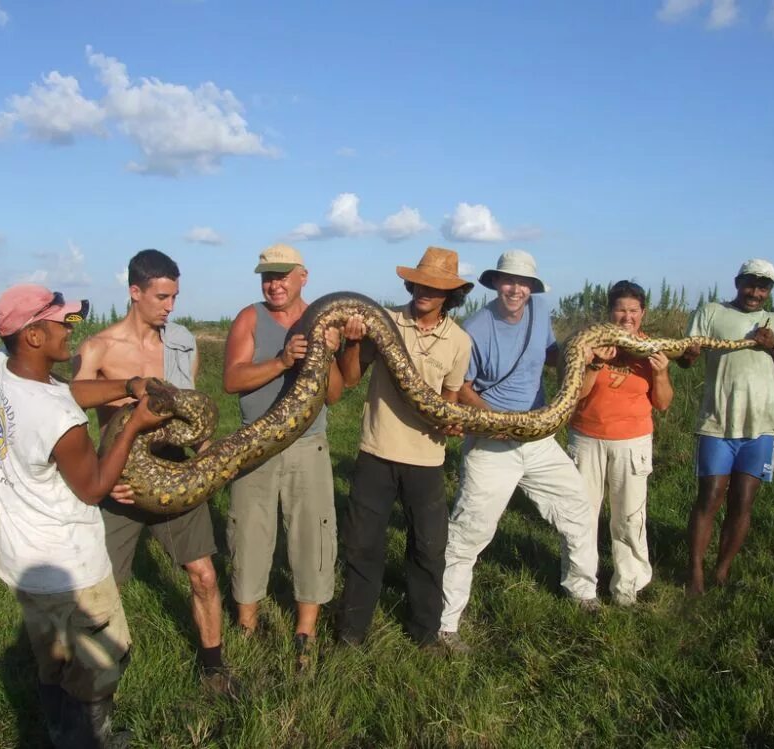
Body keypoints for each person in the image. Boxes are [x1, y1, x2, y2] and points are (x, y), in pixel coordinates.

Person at [0, 283, 168, 748]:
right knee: (102, 661)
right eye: (60, 322)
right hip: (72, 568)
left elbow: (65, 392)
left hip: (22, 561)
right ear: (32, 336)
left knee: (53, 662)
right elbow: (94, 488)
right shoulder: (57, 420)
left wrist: (127, 387)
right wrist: (134, 425)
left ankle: (60, 735)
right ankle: (90, 739)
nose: (71, 329)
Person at [72, 249, 235, 695]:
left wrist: (209, 458)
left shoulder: (181, 344)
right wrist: (97, 478)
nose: (170, 306)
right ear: (135, 292)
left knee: (203, 574)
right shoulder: (99, 348)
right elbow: (69, 409)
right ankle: (92, 682)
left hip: (174, 473)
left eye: (175, 296)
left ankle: (213, 670)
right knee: (100, 587)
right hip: (118, 481)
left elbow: (193, 416)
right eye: (162, 296)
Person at [439, 250, 600, 652]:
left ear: (532, 287)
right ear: (495, 283)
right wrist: (498, 422)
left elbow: (547, 355)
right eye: (508, 281)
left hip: (539, 438)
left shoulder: (540, 311)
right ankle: (445, 623)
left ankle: (582, 591)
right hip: (494, 442)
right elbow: (461, 387)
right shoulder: (473, 329)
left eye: (523, 283)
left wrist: (581, 357)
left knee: (578, 505)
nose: (515, 289)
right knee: (469, 530)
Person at [335, 247, 474, 648]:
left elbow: (449, 400)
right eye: (420, 282)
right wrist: (352, 345)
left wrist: (450, 420)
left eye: (435, 286)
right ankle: (352, 632)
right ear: (411, 282)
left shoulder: (459, 342)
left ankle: (425, 634)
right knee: (362, 545)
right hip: (377, 450)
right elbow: (348, 378)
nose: (424, 290)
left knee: (429, 550)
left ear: (450, 294)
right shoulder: (384, 321)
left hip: (427, 458)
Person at [222, 243, 344, 667]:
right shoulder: (249, 317)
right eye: (266, 276)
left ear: (302, 276)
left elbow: (334, 394)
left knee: (312, 535)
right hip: (255, 447)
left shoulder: (325, 322)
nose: (273, 283)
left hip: (308, 445)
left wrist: (326, 353)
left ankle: (305, 631)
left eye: (282, 275)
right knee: (250, 534)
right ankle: (247, 625)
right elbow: (231, 381)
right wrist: (280, 361)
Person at [679, 259, 774, 596]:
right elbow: (686, 359)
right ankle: (695, 574)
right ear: (738, 282)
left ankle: (722, 571)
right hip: (718, 422)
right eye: (750, 284)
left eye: (763, 287)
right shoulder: (711, 313)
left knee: (743, 501)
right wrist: (690, 353)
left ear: (769, 291)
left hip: (762, 425)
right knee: (709, 496)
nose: (755, 292)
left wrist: (773, 345)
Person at [567, 280, 673, 607]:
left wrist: (661, 373)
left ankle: (627, 588)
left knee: (629, 517)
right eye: (620, 310)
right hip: (587, 438)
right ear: (609, 312)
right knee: (582, 516)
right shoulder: (590, 344)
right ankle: (581, 589)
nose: (627, 316)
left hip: (632, 442)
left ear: (642, 313)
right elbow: (576, 396)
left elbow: (664, 403)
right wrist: (595, 364)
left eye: (633, 310)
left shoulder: (651, 347)